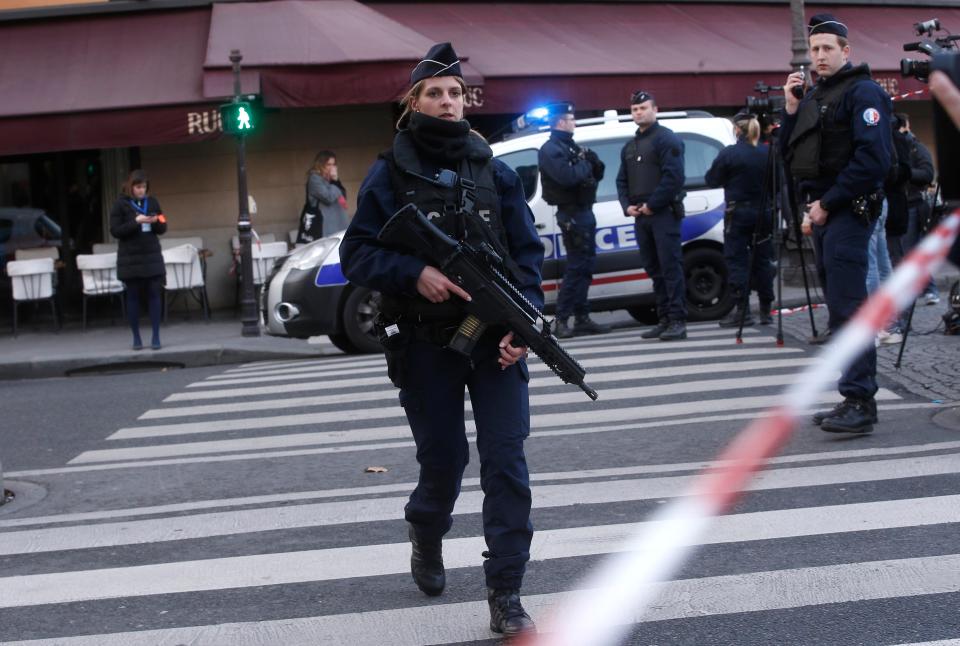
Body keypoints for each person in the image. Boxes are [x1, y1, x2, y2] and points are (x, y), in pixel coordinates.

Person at [339, 42, 543, 638]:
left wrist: (522, 330)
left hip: (493, 343)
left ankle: (506, 590)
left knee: (506, 461)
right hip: (427, 344)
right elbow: (356, 254)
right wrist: (414, 273)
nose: (448, 102)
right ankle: (426, 530)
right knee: (447, 461)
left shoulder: (493, 170)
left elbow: (527, 260)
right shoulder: (390, 172)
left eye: (455, 93)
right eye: (435, 93)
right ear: (414, 103)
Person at [781, 13, 892, 434]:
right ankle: (853, 395)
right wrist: (792, 109)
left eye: (828, 48)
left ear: (847, 51)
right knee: (839, 309)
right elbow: (790, 158)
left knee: (850, 308)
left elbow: (873, 160)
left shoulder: (862, 92)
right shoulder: (815, 96)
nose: (819, 56)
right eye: (814, 49)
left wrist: (828, 202)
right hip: (825, 212)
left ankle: (861, 399)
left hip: (847, 209)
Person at [616, 90, 687, 340]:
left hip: (663, 214)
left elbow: (674, 178)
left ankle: (678, 320)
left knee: (670, 268)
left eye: (643, 108)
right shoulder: (630, 145)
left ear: (655, 110)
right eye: (635, 109)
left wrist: (652, 205)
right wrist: (628, 206)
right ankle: (665, 318)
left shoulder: (666, 139)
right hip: (641, 216)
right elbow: (622, 180)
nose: (639, 113)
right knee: (654, 268)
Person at [537, 101, 609, 338]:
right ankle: (563, 319)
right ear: (561, 122)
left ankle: (582, 317)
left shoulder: (568, 146)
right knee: (577, 267)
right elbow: (568, 177)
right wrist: (586, 163)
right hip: (572, 214)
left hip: (583, 211)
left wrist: (591, 161)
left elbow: (594, 172)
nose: (574, 123)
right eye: (571, 119)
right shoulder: (551, 149)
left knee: (585, 267)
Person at [705, 113, 776, 327]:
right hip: (764, 211)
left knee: (736, 260)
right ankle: (766, 309)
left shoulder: (730, 154)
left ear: (737, 129)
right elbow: (778, 182)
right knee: (763, 259)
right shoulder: (768, 152)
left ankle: (743, 311)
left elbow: (712, 179)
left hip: (738, 213)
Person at [109, 169, 167, 350]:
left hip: (151, 254)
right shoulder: (121, 204)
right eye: (138, 187)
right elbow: (115, 231)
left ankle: (156, 336)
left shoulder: (153, 201)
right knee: (132, 297)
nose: (141, 190)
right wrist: (137, 222)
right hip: (130, 257)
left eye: (144, 187)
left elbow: (163, 225)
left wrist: (156, 221)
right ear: (130, 187)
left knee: (154, 294)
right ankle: (136, 338)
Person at [297, 151, 349, 243]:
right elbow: (328, 197)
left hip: (337, 224)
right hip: (324, 226)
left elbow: (343, 196)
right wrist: (334, 183)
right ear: (320, 164)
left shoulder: (330, 179)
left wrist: (335, 180)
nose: (331, 168)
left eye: (333, 164)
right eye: (328, 164)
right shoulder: (314, 179)